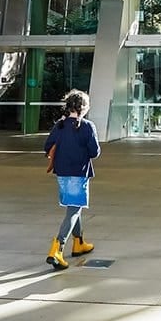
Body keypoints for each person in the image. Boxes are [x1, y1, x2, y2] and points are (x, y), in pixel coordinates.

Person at [44, 89, 101, 270]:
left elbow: (47, 147)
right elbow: (94, 152)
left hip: (61, 173)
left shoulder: (59, 125)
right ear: (83, 108)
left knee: (74, 207)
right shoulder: (87, 126)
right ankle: (57, 249)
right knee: (74, 211)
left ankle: (79, 242)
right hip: (79, 173)